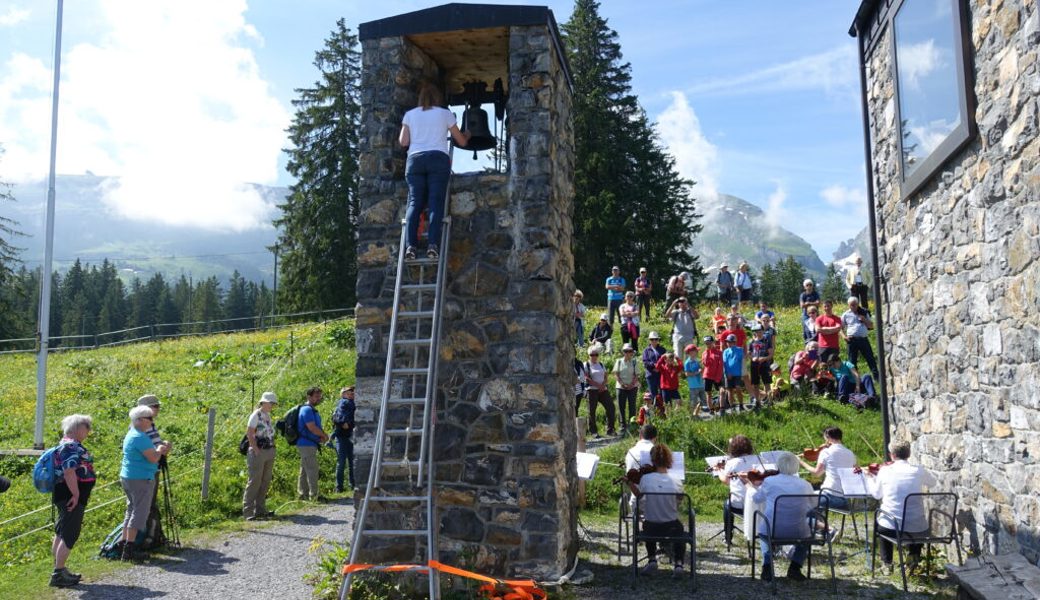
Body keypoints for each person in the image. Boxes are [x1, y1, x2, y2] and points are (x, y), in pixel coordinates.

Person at [399, 81, 470, 260]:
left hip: (415, 161)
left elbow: (403, 142)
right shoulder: (445, 114)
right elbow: (460, 141)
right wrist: (467, 135)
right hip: (438, 160)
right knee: (436, 202)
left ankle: (410, 247)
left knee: (414, 203)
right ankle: (432, 245)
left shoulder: (410, 115)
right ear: (437, 98)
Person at [863, 441, 938, 574]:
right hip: (918, 529)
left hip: (891, 529)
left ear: (891, 455)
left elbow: (876, 494)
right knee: (916, 521)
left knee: (883, 520)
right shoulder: (918, 470)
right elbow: (933, 482)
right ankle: (913, 556)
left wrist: (870, 478)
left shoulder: (885, 471)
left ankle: (887, 563)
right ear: (909, 454)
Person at [748, 451, 815, 581]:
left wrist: (750, 487)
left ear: (779, 465)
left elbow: (756, 499)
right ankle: (795, 567)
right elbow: (813, 505)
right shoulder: (805, 484)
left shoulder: (769, 481)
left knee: (764, 533)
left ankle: (767, 567)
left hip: (773, 529)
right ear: (796, 466)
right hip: (798, 531)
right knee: (807, 535)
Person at [625, 443, 686, 575]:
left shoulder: (645, 479)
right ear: (669, 460)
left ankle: (652, 559)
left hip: (651, 528)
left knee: (648, 523)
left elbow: (640, 498)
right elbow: (679, 501)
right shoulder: (676, 480)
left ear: (652, 460)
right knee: (679, 528)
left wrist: (630, 483)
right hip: (671, 527)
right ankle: (679, 564)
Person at [49, 415, 95, 587]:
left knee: (62, 531)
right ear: (76, 428)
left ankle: (59, 568)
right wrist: (75, 495)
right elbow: (69, 471)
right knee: (70, 533)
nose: (88, 430)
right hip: (70, 496)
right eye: (86, 427)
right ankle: (58, 574)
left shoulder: (65, 443)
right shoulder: (70, 445)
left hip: (65, 494)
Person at [120, 406, 170, 560]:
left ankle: (124, 545)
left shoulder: (133, 434)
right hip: (140, 478)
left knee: (131, 510)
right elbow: (153, 458)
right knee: (139, 512)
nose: (152, 421)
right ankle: (130, 548)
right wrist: (161, 449)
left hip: (130, 476)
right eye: (149, 418)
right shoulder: (140, 437)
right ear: (140, 420)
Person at [798, 427, 857, 516]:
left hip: (829, 495)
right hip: (845, 500)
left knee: (802, 503)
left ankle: (822, 528)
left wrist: (801, 462)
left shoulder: (826, 452)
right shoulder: (850, 453)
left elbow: (817, 473)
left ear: (827, 437)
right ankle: (822, 527)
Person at [243, 392, 278, 520]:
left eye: (273, 403)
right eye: (270, 403)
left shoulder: (267, 415)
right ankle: (248, 512)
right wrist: (256, 449)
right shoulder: (255, 415)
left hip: (269, 450)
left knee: (265, 480)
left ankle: (260, 509)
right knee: (254, 481)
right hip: (258, 451)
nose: (272, 405)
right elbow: (250, 433)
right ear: (263, 402)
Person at [717, 435, 757, 547]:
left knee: (727, 504)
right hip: (757, 503)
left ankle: (728, 537)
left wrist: (719, 470)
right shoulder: (758, 459)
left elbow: (725, 480)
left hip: (739, 505)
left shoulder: (732, 463)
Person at [296, 386, 330, 501]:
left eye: (319, 397)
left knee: (305, 470)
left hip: (309, 443)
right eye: (316, 396)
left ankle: (303, 495)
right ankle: (314, 495)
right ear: (309, 397)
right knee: (312, 469)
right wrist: (323, 435)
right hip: (306, 444)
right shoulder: (307, 410)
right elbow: (312, 427)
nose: (318, 399)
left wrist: (319, 437)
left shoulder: (310, 410)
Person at [842, 296, 879, 379]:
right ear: (848, 305)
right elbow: (841, 328)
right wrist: (844, 337)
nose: (853, 306)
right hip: (851, 340)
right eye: (851, 305)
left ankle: (877, 378)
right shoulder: (845, 314)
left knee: (870, 358)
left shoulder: (864, 312)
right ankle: (855, 379)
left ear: (857, 304)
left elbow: (871, 325)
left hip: (863, 339)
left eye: (855, 304)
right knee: (852, 361)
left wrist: (864, 319)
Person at [584, 345, 614, 437]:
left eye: (596, 354)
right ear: (589, 355)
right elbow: (586, 378)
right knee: (592, 411)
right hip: (592, 390)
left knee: (611, 407)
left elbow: (605, 375)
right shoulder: (586, 364)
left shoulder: (601, 364)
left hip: (603, 390)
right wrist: (598, 385)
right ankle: (593, 431)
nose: (594, 356)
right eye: (592, 355)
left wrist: (603, 385)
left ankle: (610, 429)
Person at [332, 386, 357, 493]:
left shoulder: (354, 403)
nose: (351, 393)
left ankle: (352, 485)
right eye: (348, 392)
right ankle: (339, 487)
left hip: (350, 435)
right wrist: (343, 423)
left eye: (352, 392)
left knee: (352, 462)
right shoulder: (343, 403)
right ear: (343, 394)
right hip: (342, 436)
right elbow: (337, 417)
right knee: (342, 462)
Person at [613, 343, 641, 431]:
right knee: (621, 406)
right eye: (626, 351)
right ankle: (622, 425)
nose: (628, 353)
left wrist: (631, 385)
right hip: (620, 387)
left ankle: (632, 424)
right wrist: (622, 384)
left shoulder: (634, 361)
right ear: (623, 352)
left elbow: (637, 375)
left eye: (630, 351)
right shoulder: (619, 361)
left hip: (632, 387)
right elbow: (616, 374)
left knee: (632, 406)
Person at [747, 324, 773, 408]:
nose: (758, 333)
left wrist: (764, 358)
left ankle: (770, 402)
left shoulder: (766, 340)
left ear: (762, 331)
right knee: (755, 384)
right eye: (756, 331)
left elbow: (771, 354)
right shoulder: (751, 341)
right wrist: (752, 358)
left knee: (767, 384)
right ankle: (757, 402)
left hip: (764, 365)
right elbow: (748, 353)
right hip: (754, 365)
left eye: (759, 331)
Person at [722, 334, 747, 411]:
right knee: (730, 390)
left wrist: (743, 373)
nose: (728, 343)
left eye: (730, 342)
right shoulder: (725, 351)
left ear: (734, 342)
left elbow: (743, 362)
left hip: (738, 374)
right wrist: (727, 373)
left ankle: (741, 405)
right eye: (727, 342)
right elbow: (724, 363)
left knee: (738, 388)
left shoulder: (740, 350)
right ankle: (732, 406)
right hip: (728, 374)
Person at [701, 336, 725, 413]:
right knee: (708, 393)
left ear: (713, 342)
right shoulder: (704, 353)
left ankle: (722, 408)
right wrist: (708, 353)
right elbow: (705, 364)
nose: (708, 345)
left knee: (722, 391)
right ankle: (711, 409)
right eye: (706, 343)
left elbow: (721, 365)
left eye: (709, 343)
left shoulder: (719, 352)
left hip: (717, 376)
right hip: (707, 376)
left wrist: (718, 377)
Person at [642, 332, 667, 401]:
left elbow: (666, 361)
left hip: (661, 374)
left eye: (656, 339)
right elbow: (645, 362)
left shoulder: (662, 349)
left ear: (658, 340)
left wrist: (659, 368)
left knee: (663, 392)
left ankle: (662, 409)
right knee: (653, 393)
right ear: (649, 340)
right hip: (650, 375)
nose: (654, 341)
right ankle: (654, 409)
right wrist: (654, 366)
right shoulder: (646, 351)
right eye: (652, 339)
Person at [683, 344, 705, 415]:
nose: (696, 352)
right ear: (690, 352)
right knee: (693, 401)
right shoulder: (687, 362)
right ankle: (692, 415)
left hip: (701, 384)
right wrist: (697, 372)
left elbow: (701, 371)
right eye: (695, 351)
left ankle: (701, 414)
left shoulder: (697, 361)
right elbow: (687, 374)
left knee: (703, 401)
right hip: (693, 385)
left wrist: (702, 370)